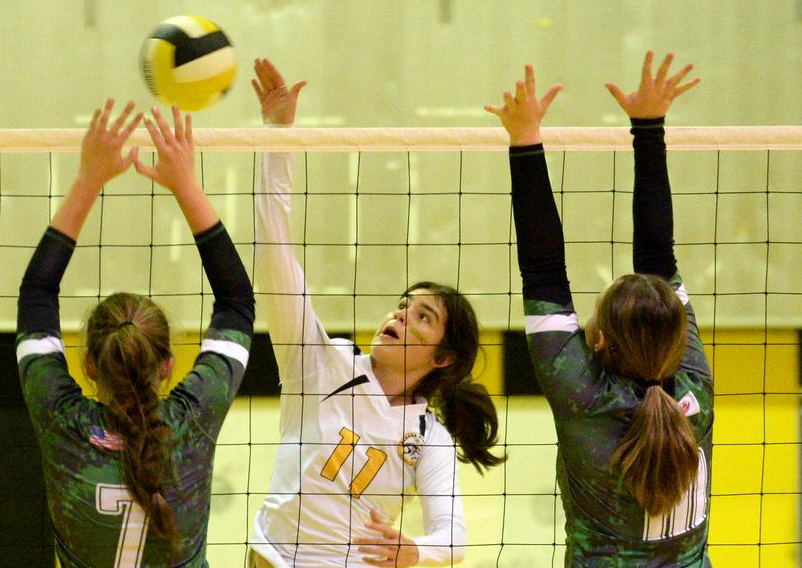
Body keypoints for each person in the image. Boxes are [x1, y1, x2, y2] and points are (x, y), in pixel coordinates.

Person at [248, 58, 504, 568]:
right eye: (404, 305)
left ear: (444, 358)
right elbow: (274, 246)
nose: (401, 316)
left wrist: (412, 551)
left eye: (423, 317)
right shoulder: (320, 363)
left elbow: (453, 539)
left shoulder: (428, 438)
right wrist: (279, 136)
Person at [485, 52, 712, 566]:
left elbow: (545, 268)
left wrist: (525, 139)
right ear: (678, 339)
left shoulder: (582, 394)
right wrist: (648, 128)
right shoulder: (692, 385)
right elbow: (655, 258)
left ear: (601, 341)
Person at [16, 100, 254, 566]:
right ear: (167, 366)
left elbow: (36, 293)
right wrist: (186, 184)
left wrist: (88, 179)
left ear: (88, 365)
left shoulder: (62, 423)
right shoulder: (193, 420)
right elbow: (238, 301)